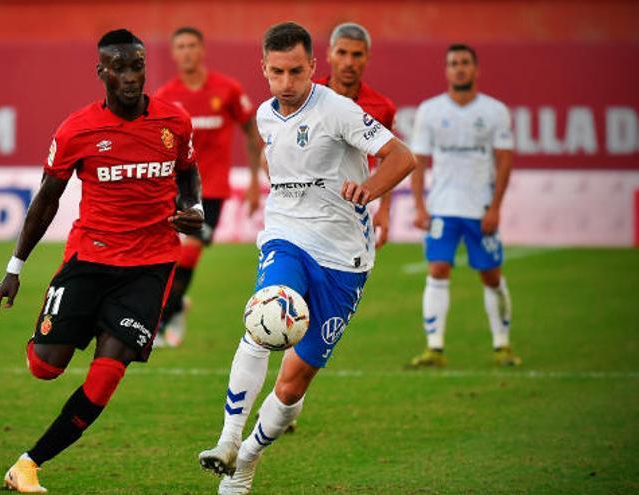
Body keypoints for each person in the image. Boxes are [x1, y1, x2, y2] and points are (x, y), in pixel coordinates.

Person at [197, 22, 416, 495]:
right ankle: (228, 440)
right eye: (277, 73)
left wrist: (369, 190)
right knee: (261, 321)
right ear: (264, 69)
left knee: (293, 385)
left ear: (314, 67)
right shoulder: (263, 115)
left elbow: (402, 157)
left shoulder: (339, 110)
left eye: (297, 72)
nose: (287, 83)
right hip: (286, 236)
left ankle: (248, 458)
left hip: (343, 257)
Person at [0, 29, 203, 493]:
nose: (129, 76)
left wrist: (195, 207)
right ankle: (88, 320)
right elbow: (46, 201)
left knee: (106, 375)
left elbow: (188, 172)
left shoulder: (174, 122)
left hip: (151, 263)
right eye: (118, 67)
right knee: (45, 366)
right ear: (101, 72)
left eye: (137, 66)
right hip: (91, 257)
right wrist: (13, 269)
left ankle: (28, 464)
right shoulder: (76, 130)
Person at [408, 44, 521, 368]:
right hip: (443, 207)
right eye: (453, 63)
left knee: (491, 275)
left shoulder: (495, 111)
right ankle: (435, 348)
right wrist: (419, 206)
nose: (459, 68)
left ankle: (502, 345)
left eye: (465, 63)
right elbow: (418, 161)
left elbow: (504, 160)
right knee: (437, 269)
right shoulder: (429, 111)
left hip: (480, 208)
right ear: (446, 70)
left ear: (475, 69)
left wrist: (496, 207)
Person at [153, 26, 262, 347]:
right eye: (181, 46)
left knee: (189, 255)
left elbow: (251, 134)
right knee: (167, 258)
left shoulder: (227, 90)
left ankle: (159, 325)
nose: (186, 52)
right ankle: (176, 307)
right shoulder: (164, 97)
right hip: (174, 190)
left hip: (211, 191)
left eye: (192, 46)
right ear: (174, 53)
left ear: (202, 50)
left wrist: (256, 182)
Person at [316, 22, 397, 248]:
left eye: (357, 54)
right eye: (342, 53)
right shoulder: (307, 95)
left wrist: (384, 210)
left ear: (367, 57)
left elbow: (389, 160)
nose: (349, 62)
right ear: (329, 54)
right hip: (309, 207)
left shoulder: (382, 107)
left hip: (351, 211)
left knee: (343, 282)